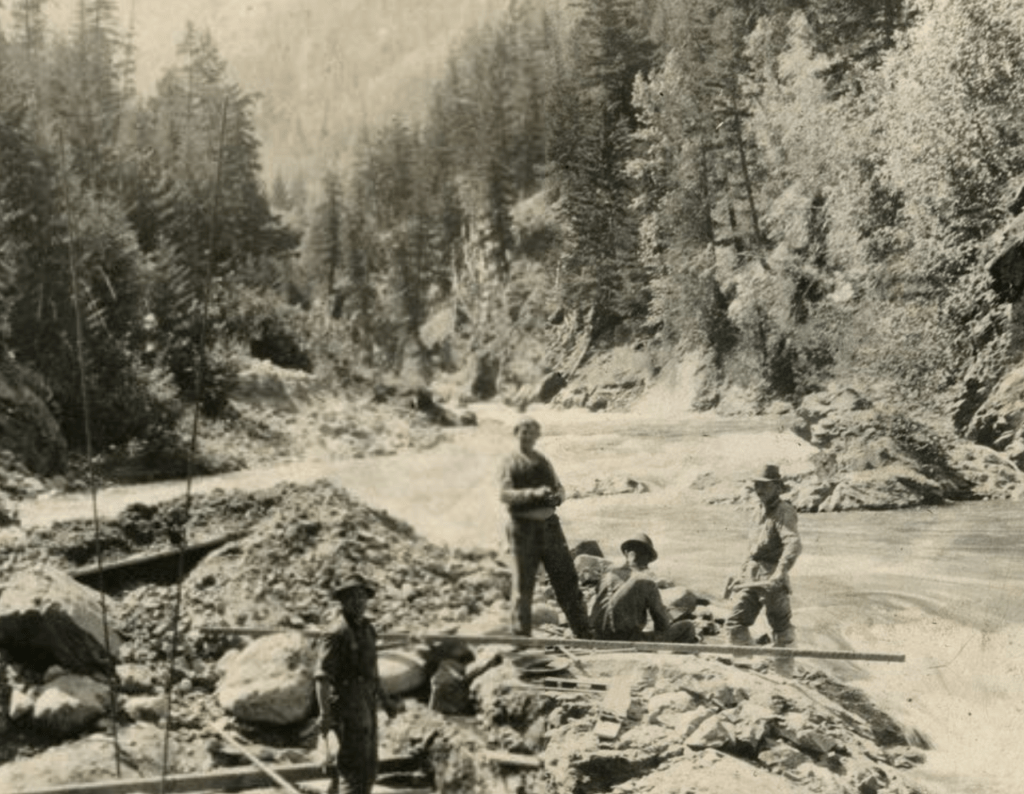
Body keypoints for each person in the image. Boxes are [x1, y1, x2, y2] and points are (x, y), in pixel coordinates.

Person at [499, 417, 592, 638]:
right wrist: (532, 495)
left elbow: (561, 488)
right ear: (516, 434)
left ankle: (583, 633)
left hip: (550, 526)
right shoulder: (509, 462)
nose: (528, 437)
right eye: (524, 432)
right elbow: (505, 494)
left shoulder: (543, 461)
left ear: (537, 436)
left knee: (567, 580)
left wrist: (558, 497)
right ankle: (521, 638)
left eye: (532, 433)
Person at [314, 573, 400, 794]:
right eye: (352, 597)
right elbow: (322, 676)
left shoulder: (368, 630)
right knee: (353, 769)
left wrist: (385, 701)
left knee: (369, 766)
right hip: (346, 706)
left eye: (362, 596)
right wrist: (325, 715)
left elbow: (372, 672)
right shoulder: (335, 632)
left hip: (367, 704)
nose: (359, 602)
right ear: (342, 601)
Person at [724, 464, 802, 674]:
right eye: (757, 485)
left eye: (764, 486)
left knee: (781, 628)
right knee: (735, 621)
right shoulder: (756, 511)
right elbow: (752, 549)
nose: (759, 490)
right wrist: (739, 574)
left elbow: (793, 543)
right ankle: (744, 666)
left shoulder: (784, 511)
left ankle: (785, 673)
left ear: (777, 487)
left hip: (772, 578)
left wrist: (780, 572)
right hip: (751, 575)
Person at [590, 532, 698, 643]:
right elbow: (662, 625)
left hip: (598, 638)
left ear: (626, 553)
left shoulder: (607, 576)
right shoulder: (646, 581)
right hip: (626, 641)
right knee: (687, 627)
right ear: (647, 559)